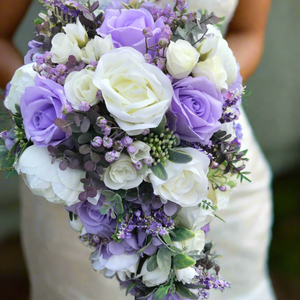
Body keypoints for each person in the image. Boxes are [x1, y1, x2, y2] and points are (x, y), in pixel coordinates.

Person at [0, 0, 275, 299]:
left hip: (212, 164)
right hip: (79, 186)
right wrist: (69, 116)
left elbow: (249, 33)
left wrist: (184, 109)